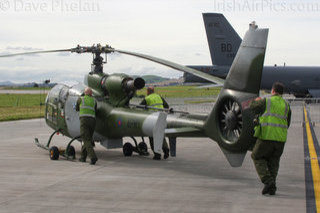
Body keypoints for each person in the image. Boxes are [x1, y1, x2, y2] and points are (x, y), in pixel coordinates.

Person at [250, 82, 291, 195]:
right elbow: (288, 122)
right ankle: (272, 188)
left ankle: (268, 182)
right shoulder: (286, 105)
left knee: (256, 156)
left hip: (267, 136)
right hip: (281, 139)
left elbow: (252, 107)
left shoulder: (266, 101)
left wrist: (256, 100)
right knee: (273, 162)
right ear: (281, 93)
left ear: (272, 91)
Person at [140, 86, 170, 160]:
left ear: (148, 91)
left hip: (152, 119)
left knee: (152, 137)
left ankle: (157, 155)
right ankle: (166, 149)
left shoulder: (147, 98)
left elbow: (139, 108)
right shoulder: (159, 97)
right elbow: (166, 106)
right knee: (161, 134)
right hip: (161, 117)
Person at [76, 87, 98, 165]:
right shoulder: (94, 100)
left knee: (86, 139)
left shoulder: (81, 99)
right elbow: (95, 109)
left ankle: (93, 157)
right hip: (93, 121)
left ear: (84, 93)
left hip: (84, 120)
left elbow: (77, 108)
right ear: (91, 94)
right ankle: (83, 157)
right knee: (88, 138)